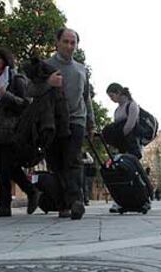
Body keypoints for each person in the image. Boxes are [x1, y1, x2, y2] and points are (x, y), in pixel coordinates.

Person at [0, 47, 41, 217]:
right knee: (6, 168)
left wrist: (7, 96)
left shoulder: (16, 79)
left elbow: (27, 103)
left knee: (5, 169)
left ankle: (6, 205)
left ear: (5, 60)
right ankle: (31, 191)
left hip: (9, 132)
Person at [45, 28, 95, 220]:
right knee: (57, 163)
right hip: (53, 121)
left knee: (73, 160)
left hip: (76, 120)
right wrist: (48, 82)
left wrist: (91, 123)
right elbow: (30, 90)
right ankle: (62, 204)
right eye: (65, 42)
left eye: (73, 43)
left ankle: (76, 201)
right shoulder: (46, 65)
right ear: (57, 42)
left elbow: (86, 97)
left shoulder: (81, 69)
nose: (69, 46)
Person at [103, 83, 142, 159]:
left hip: (130, 143)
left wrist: (119, 137)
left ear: (118, 92)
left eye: (112, 96)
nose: (111, 99)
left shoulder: (131, 105)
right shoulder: (117, 110)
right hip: (120, 144)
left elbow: (130, 126)